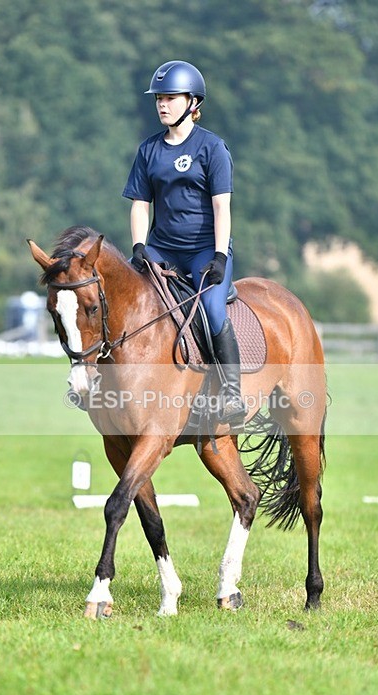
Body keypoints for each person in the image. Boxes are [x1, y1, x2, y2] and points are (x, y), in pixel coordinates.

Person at [122, 60, 245, 429]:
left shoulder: (212, 148)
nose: (162, 104)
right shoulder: (148, 150)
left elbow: (222, 206)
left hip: (205, 250)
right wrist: (139, 246)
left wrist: (221, 255)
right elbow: (140, 205)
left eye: (170, 97)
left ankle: (232, 392)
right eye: (159, 98)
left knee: (212, 308)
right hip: (161, 248)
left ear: (192, 102)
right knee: (129, 301)